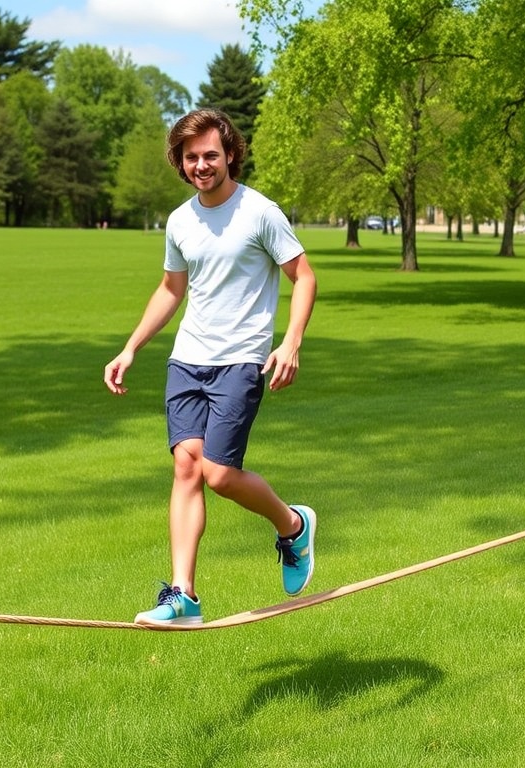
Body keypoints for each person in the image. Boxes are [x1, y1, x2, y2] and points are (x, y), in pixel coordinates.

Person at [103, 109, 318, 627]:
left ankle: (292, 526)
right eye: (191, 157)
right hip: (188, 360)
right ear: (180, 161)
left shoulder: (260, 212)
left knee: (219, 474)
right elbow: (171, 290)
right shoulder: (180, 221)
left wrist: (290, 343)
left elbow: (304, 277)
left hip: (240, 360)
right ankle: (183, 597)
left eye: (210, 155)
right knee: (185, 467)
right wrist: (131, 347)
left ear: (230, 155)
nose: (201, 165)